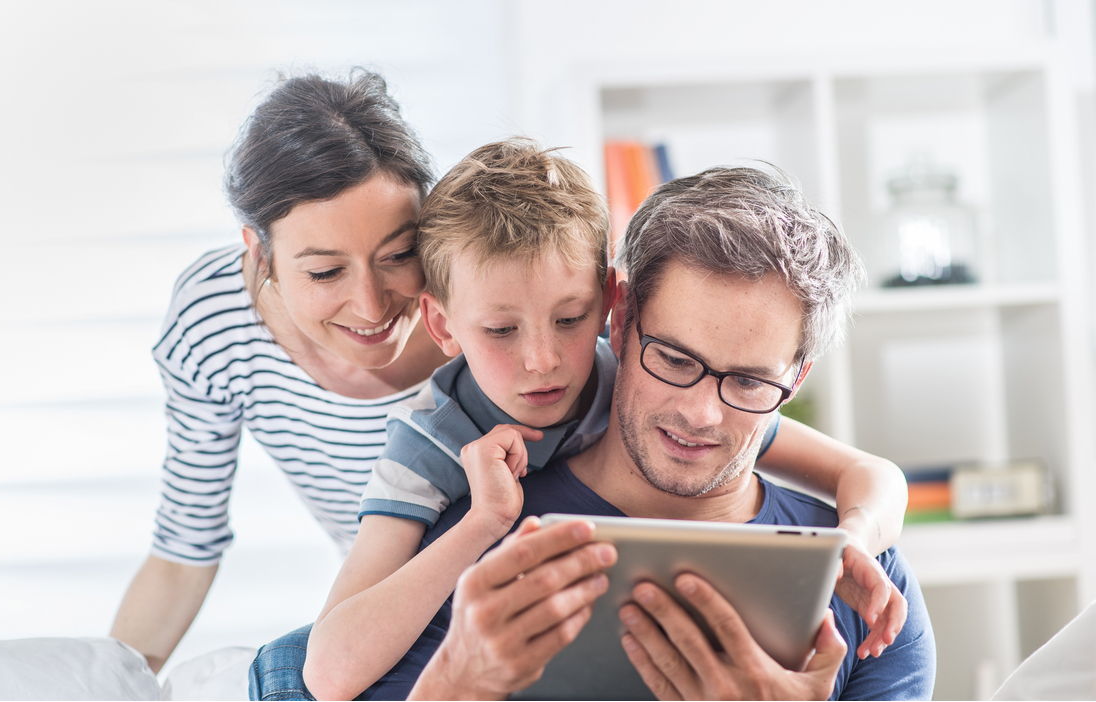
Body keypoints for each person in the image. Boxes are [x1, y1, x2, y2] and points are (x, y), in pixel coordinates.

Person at [254, 147, 914, 700]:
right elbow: (328, 669)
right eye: (675, 359)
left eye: (747, 381)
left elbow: (870, 474)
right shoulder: (471, 542)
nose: (701, 412)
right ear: (622, 321)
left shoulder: (870, 593)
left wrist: (853, 540)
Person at [109, 69, 450, 673]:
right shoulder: (214, 322)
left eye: (400, 255)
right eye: (324, 273)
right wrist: (107, 687)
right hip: (390, 633)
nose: (372, 307)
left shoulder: (476, 284)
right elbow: (183, 551)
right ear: (258, 251)